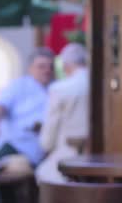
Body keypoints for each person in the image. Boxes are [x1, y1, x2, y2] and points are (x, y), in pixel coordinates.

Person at [0, 47, 55, 167]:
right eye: (41, 66)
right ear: (30, 68)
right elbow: (0, 105)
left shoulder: (57, 87)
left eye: (51, 66)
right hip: (15, 144)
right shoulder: (18, 85)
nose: (47, 70)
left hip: (44, 149)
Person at [36, 43, 89, 183]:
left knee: (43, 174)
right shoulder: (103, 84)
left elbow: (48, 138)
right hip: (103, 156)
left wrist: (45, 146)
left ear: (66, 65)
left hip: (70, 155)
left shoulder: (60, 89)